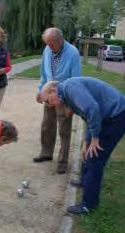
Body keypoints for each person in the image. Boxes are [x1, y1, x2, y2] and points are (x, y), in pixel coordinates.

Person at [41, 77, 125, 215]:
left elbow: (92, 109)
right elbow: (88, 117)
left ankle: (88, 204)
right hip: (108, 116)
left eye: (48, 101)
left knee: (95, 157)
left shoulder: (70, 88)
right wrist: (87, 141)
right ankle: (85, 182)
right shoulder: (67, 95)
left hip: (119, 115)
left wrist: (95, 138)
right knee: (87, 152)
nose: (51, 105)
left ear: (53, 91)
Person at [34, 27, 81, 174]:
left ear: (60, 40)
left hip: (65, 96)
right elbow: (43, 73)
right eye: (47, 43)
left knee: (64, 129)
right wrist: (40, 90)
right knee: (47, 125)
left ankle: (62, 161)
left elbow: (76, 79)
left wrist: (71, 104)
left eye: (51, 43)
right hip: (49, 93)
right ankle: (46, 153)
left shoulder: (72, 52)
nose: (48, 47)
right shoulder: (47, 50)